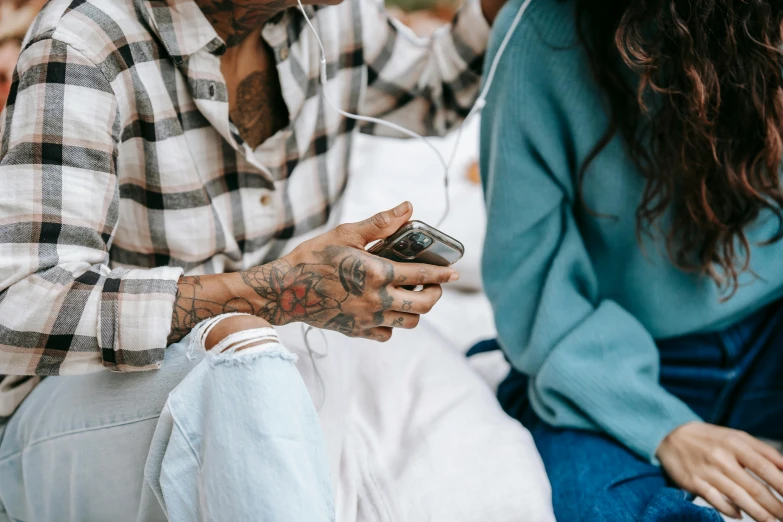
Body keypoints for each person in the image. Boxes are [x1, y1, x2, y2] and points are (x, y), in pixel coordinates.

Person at [0, 0, 509, 519]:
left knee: (479, 465)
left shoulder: (332, 14)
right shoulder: (86, 42)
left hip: (294, 361)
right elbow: (21, 305)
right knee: (244, 358)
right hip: (76, 412)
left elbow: (434, 88)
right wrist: (276, 293)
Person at [479, 0, 783, 520]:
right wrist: (664, 428)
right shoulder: (536, 32)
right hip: (616, 361)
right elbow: (530, 284)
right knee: (598, 503)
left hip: (770, 335)